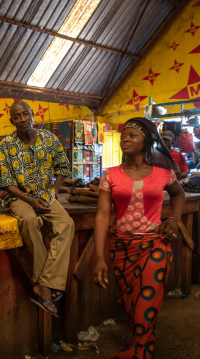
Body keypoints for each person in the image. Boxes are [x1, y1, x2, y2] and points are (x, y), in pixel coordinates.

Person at [93, 118, 185, 359]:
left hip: (154, 245)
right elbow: (103, 216)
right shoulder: (110, 175)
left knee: (146, 301)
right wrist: (98, 257)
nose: (125, 138)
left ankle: (142, 352)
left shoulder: (164, 173)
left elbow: (179, 195)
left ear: (147, 141)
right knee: (130, 302)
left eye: (132, 135)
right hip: (121, 246)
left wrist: (173, 220)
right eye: (124, 135)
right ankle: (143, 341)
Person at [0, 100, 74, 317]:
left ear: (32, 115)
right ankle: (47, 288)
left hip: (46, 196)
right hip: (20, 197)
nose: (22, 119)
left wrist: (54, 191)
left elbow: (62, 167)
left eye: (25, 114)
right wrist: (30, 201)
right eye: (17, 117)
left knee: (67, 224)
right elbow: (6, 182)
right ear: (11, 121)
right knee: (31, 222)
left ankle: (44, 283)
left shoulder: (49, 139)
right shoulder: (6, 145)